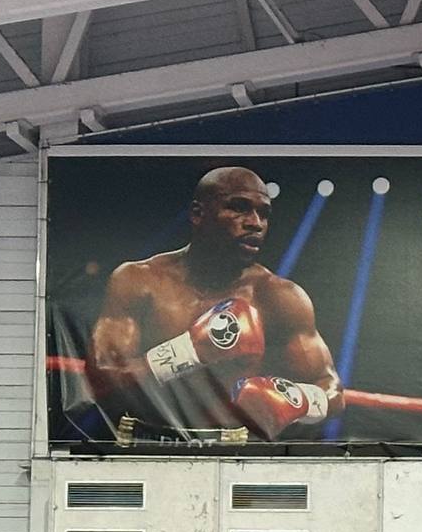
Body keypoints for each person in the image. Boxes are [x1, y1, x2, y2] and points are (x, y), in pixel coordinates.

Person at [86, 165, 340, 440]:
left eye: (264, 213)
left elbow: (331, 389)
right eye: (239, 207)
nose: (255, 223)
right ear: (198, 213)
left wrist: (296, 398)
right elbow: (103, 378)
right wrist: (188, 352)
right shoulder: (139, 280)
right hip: (143, 440)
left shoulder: (279, 297)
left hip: (230, 448)